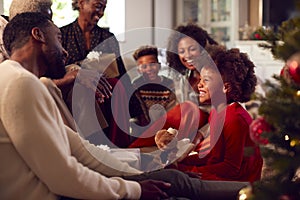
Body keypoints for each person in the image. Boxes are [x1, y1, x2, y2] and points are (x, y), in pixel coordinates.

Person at [0, 12, 251, 200]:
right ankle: (271, 193)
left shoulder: (17, 80)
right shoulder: (21, 84)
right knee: (178, 183)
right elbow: (64, 177)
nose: (65, 51)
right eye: (58, 39)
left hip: (79, 183)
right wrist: (134, 189)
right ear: (38, 35)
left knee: (175, 177)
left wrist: (147, 160)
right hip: (66, 194)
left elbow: (83, 151)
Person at [169, 45, 263, 183]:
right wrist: (182, 162)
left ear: (225, 87)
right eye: (200, 79)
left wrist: (192, 171)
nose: (199, 85)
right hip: (223, 173)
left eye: (206, 80)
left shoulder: (234, 119)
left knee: (179, 181)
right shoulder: (216, 111)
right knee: (172, 171)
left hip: (239, 181)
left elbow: (231, 168)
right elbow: (214, 156)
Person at [60, 0, 140, 147]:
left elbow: (121, 72)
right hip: (75, 88)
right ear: (81, 3)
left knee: (116, 85)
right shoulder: (63, 34)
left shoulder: (108, 37)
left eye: (104, 8)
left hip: (106, 87)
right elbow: (58, 70)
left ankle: (118, 149)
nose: (101, 12)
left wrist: (139, 111)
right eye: (98, 6)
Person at [166, 23, 218, 104]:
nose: (187, 55)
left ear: (203, 49)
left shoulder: (216, 75)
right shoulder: (185, 79)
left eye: (192, 49)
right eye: (182, 51)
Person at [130, 45, 177, 129]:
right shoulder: (135, 85)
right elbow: (138, 112)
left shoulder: (170, 84)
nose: (149, 69)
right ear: (139, 70)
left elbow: (173, 110)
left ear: (159, 66)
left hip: (167, 125)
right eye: (144, 66)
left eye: (152, 65)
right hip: (144, 128)